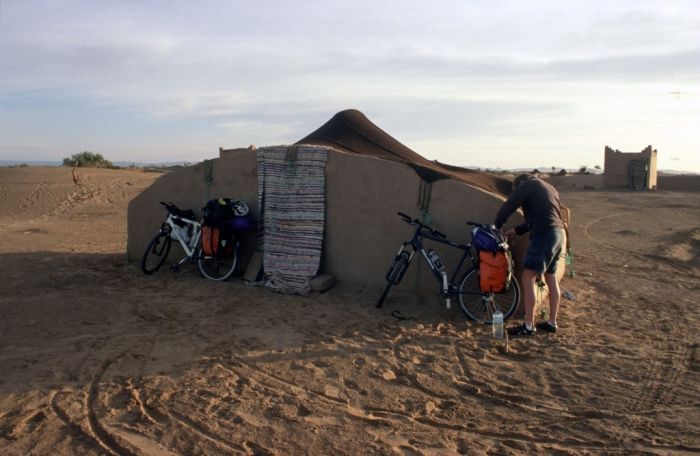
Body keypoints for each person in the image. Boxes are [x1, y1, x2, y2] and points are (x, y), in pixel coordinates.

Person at [494, 173, 564, 336]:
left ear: (519, 184)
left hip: (544, 235)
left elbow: (510, 204)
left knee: (528, 277)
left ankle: (528, 325)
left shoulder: (527, 185)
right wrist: (516, 231)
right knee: (551, 277)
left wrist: (498, 224)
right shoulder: (549, 188)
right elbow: (539, 218)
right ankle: (552, 322)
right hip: (557, 234)